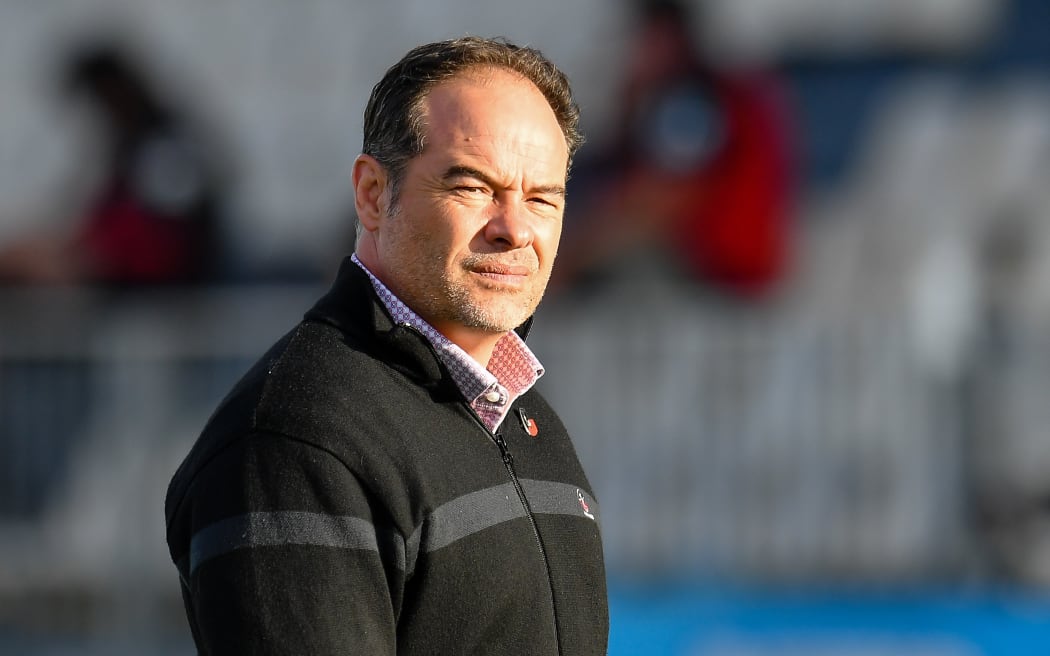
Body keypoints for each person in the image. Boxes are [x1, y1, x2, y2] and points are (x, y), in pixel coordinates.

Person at [164, 37, 608, 655]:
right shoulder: (293, 444)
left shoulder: (527, 416)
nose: (515, 229)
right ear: (373, 194)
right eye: (474, 187)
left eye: (541, 198)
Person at [552, 0, 795, 299]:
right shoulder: (702, 93)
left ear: (664, 39)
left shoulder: (691, 101)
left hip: (720, 275)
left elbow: (657, 200)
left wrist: (565, 264)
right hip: (727, 272)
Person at [0, 42, 225, 287]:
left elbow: (169, 239)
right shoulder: (128, 142)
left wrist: (87, 254)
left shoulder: (162, 145)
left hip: (152, 278)